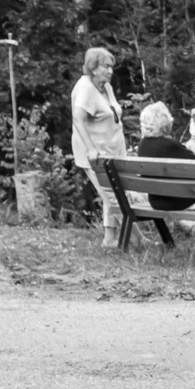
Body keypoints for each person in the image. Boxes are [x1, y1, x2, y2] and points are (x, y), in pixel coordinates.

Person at [136, 100, 195, 252]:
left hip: (156, 201)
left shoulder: (143, 146)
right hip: (177, 201)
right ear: (165, 123)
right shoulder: (169, 146)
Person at [70, 46, 127, 248]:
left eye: (112, 67)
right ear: (93, 68)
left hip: (112, 150)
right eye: (106, 66)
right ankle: (135, 237)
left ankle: (110, 238)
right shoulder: (86, 87)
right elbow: (78, 118)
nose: (110, 71)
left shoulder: (106, 87)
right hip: (95, 154)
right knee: (111, 195)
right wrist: (90, 148)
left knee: (111, 193)